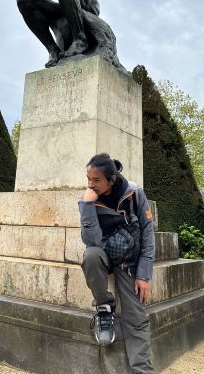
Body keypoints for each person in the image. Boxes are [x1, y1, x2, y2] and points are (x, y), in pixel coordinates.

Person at [78, 153, 156, 374]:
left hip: (128, 261)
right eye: (88, 179)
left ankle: (142, 370)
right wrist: (87, 206)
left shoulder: (134, 193)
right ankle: (104, 307)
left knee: (136, 316)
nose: (90, 184)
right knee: (91, 256)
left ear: (111, 179)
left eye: (96, 180)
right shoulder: (87, 199)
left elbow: (148, 234)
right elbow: (91, 242)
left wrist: (143, 274)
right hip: (103, 254)